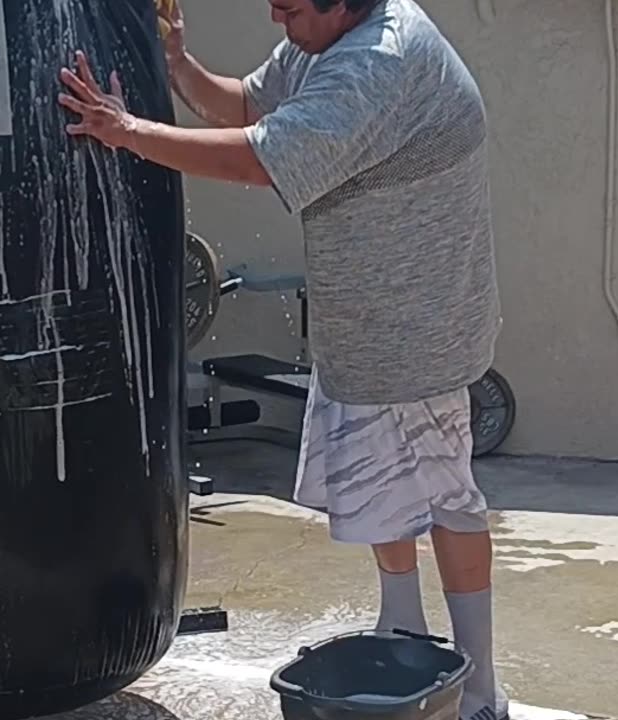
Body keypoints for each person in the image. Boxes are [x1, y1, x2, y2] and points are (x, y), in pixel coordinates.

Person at [57, 1, 506, 719]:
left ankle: (482, 687)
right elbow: (248, 102)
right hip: (362, 323)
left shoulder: (380, 60)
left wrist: (128, 131)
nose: (277, 19)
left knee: (446, 498)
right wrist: (177, 65)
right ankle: (403, 630)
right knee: (376, 486)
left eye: (290, 7)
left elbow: (261, 156)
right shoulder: (324, 38)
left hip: (419, 328)